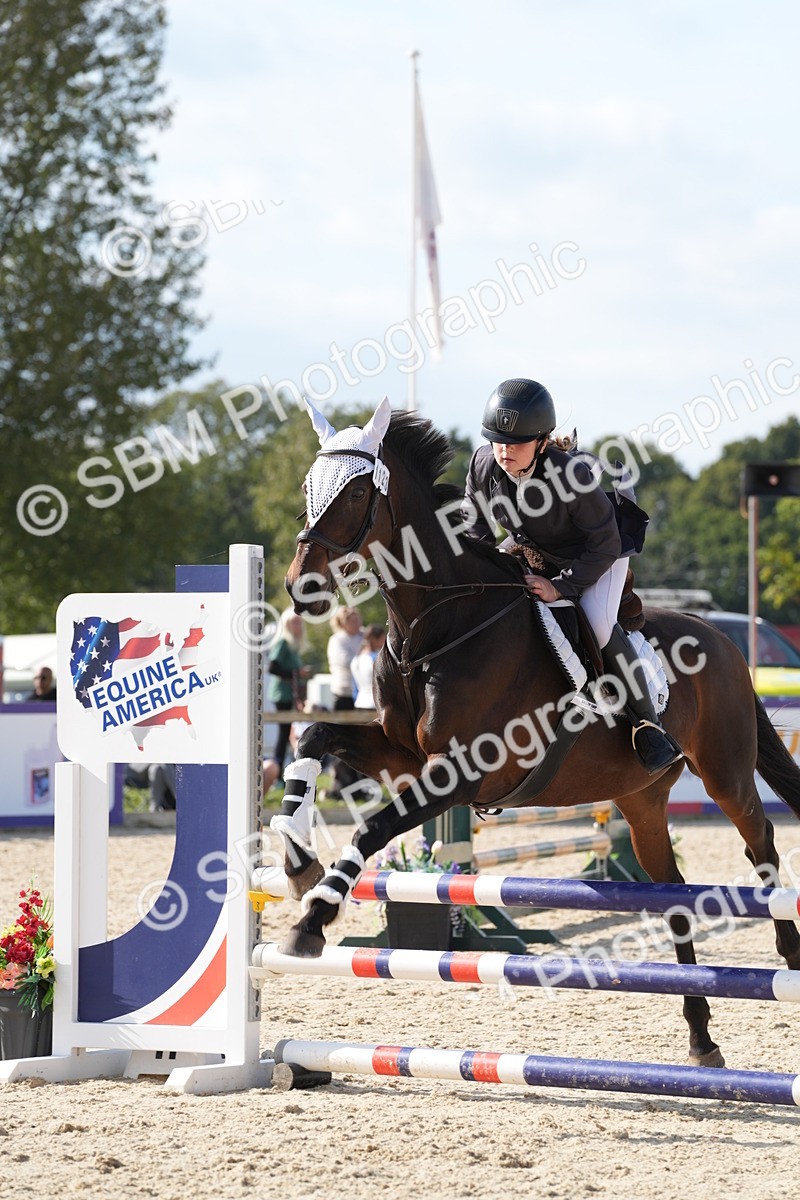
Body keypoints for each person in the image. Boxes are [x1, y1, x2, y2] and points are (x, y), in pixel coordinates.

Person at [463, 377, 682, 775]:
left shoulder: (570, 476)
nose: (504, 451)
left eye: (516, 443)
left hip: (599, 552)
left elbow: (604, 544)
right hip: (533, 546)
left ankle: (648, 726)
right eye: (497, 440)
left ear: (542, 442)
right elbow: (474, 528)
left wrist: (561, 586)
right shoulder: (483, 465)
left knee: (596, 624)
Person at [264, 608, 306, 789]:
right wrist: (296, 673)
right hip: (282, 693)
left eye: (299, 622)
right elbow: (272, 667)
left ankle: (279, 772)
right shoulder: (282, 642)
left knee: (287, 734)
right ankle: (276, 774)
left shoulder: (293, 644)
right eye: (294, 622)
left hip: (289, 693)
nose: (297, 626)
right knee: (283, 735)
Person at [351, 624, 386, 709]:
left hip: (359, 702)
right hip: (376, 704)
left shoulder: (355, 660)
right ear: (374, 640)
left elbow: (355, 687)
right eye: (383, 639)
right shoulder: (376, 658)